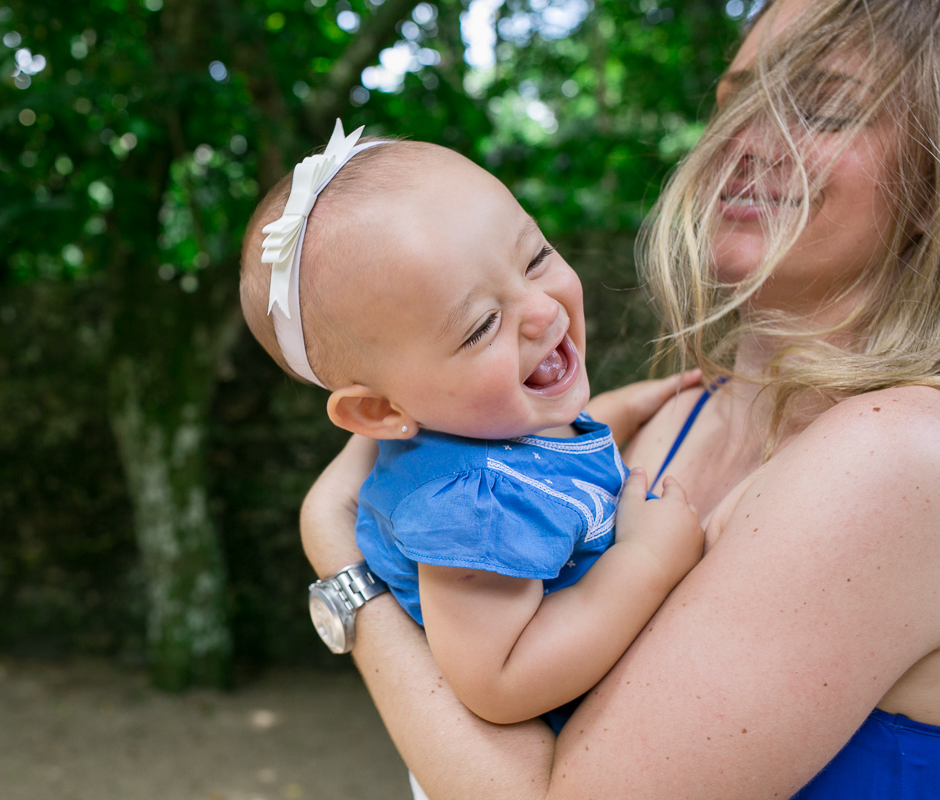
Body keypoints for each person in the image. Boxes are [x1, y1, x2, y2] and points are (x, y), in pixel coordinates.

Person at [299, 0, 940, 797]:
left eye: (824, 108)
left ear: (930, 185)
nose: (747, 138)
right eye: (736, 97)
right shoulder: (672, 413)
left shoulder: (899, 455)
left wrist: (338, 553)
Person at [239, 124, 703, 729]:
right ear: (381, 412)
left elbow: (555, 453)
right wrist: (645, 560)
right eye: (482, 325)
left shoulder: (490, 421)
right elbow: (501, 680)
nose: (542, 310)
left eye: (536, 258)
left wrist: (638, 402)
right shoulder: (470, 515)